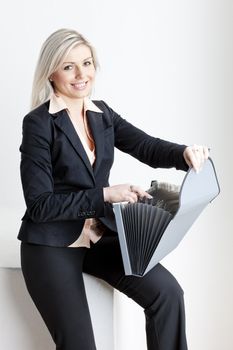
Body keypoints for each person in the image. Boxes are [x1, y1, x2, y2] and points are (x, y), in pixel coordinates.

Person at [18, 28, 209, 350]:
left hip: (98, 236)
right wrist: (105, 195)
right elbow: (40, 205)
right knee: (79, 344)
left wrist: (183, 153)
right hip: (51, 244)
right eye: (69, 66)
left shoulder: (102, 114)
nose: (81, 75)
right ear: (51, 72)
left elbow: (146, 146)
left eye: (87, 63)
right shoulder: (38, 123)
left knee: (168, 294)